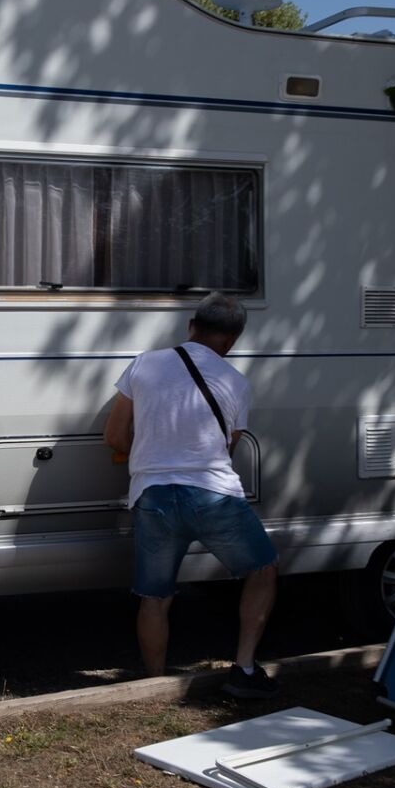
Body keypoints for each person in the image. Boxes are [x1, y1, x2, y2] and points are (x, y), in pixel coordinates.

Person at [104, 293, 279, 697]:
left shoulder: (144, 364)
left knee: (155, 596)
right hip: (213, 496)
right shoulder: (236, 382)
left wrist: (152, 455)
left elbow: (113, 435)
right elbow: (226, 448)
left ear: (191, 326)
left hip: (152, 497)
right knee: (263, 570)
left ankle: (153, 685)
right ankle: (245, 669)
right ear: (232, 341)